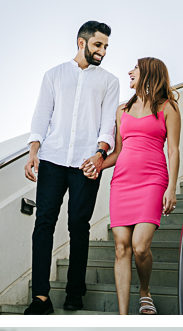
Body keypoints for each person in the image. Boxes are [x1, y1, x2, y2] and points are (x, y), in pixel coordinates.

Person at [23, 21, 120, 315]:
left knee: (79, 225)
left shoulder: (109, 81)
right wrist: (33, 153)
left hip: (86, 163)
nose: (102, 51)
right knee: (43, 225)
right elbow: (42, 116)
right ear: (81, 42)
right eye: (97, 45)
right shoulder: (54, 75)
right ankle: (40, 296)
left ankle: (75, 291)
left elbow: (108, 126)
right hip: (51, 159)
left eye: (105, 46)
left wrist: (100, 156)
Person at [83, 59, 181, 316]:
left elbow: (173, 149)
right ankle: (124, 316)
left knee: (139, 245)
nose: (130, 72)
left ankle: (144, 291)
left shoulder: (168, 107)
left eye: (135, 69)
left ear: (149, 72)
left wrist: (172, 187)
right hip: (122, 182)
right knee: (121, 247)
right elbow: (118, 151)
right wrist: (99, 166)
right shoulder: (122, 110)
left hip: (152, 180)